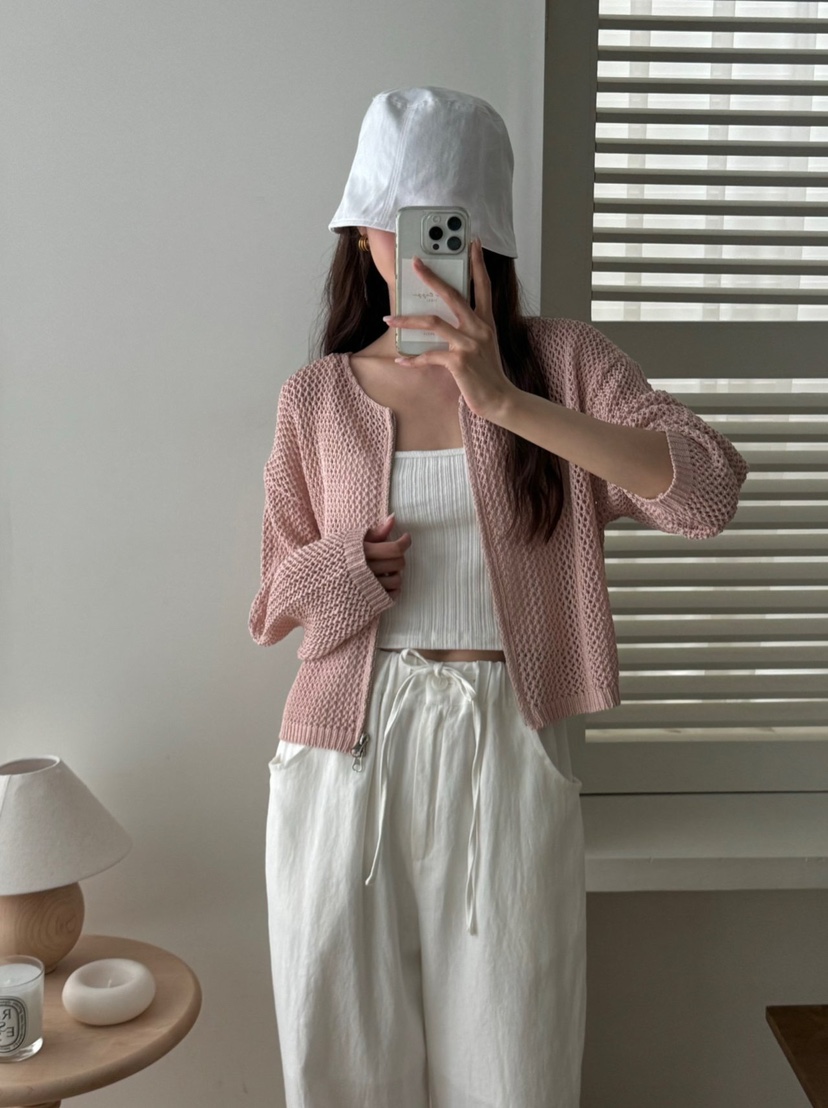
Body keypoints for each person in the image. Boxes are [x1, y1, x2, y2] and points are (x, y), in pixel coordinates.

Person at [249, 86, 750, 1108]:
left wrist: (507, 402)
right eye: (389, 223)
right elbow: (271, 604)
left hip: (509, 749)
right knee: (341, 1065)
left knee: (514, 1067)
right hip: (344, 755)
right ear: (359, 236)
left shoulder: (564, 363)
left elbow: (708, 492)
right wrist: (347, 571)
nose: (414, 251)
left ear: (488, 238)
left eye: (443, 227)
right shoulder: (317, 395)